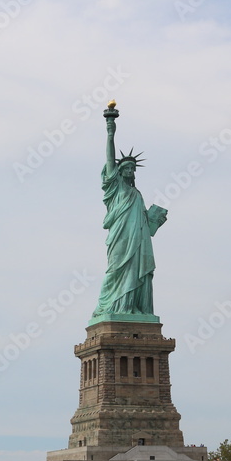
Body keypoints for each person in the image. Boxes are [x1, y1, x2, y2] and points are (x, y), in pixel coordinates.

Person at [92, 109, 167, 319]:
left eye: (133, 168)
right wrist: (110, 132)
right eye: (126, 167)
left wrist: (155, 220)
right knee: (115, 270)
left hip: (139, 240)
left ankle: (135, 308)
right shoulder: (115, 189)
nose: (130, 170)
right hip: (120, 237)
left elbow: (144, 222)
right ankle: (110, 307)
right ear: (118, 171)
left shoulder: (137, 194)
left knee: (137, 271)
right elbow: (109, 159)